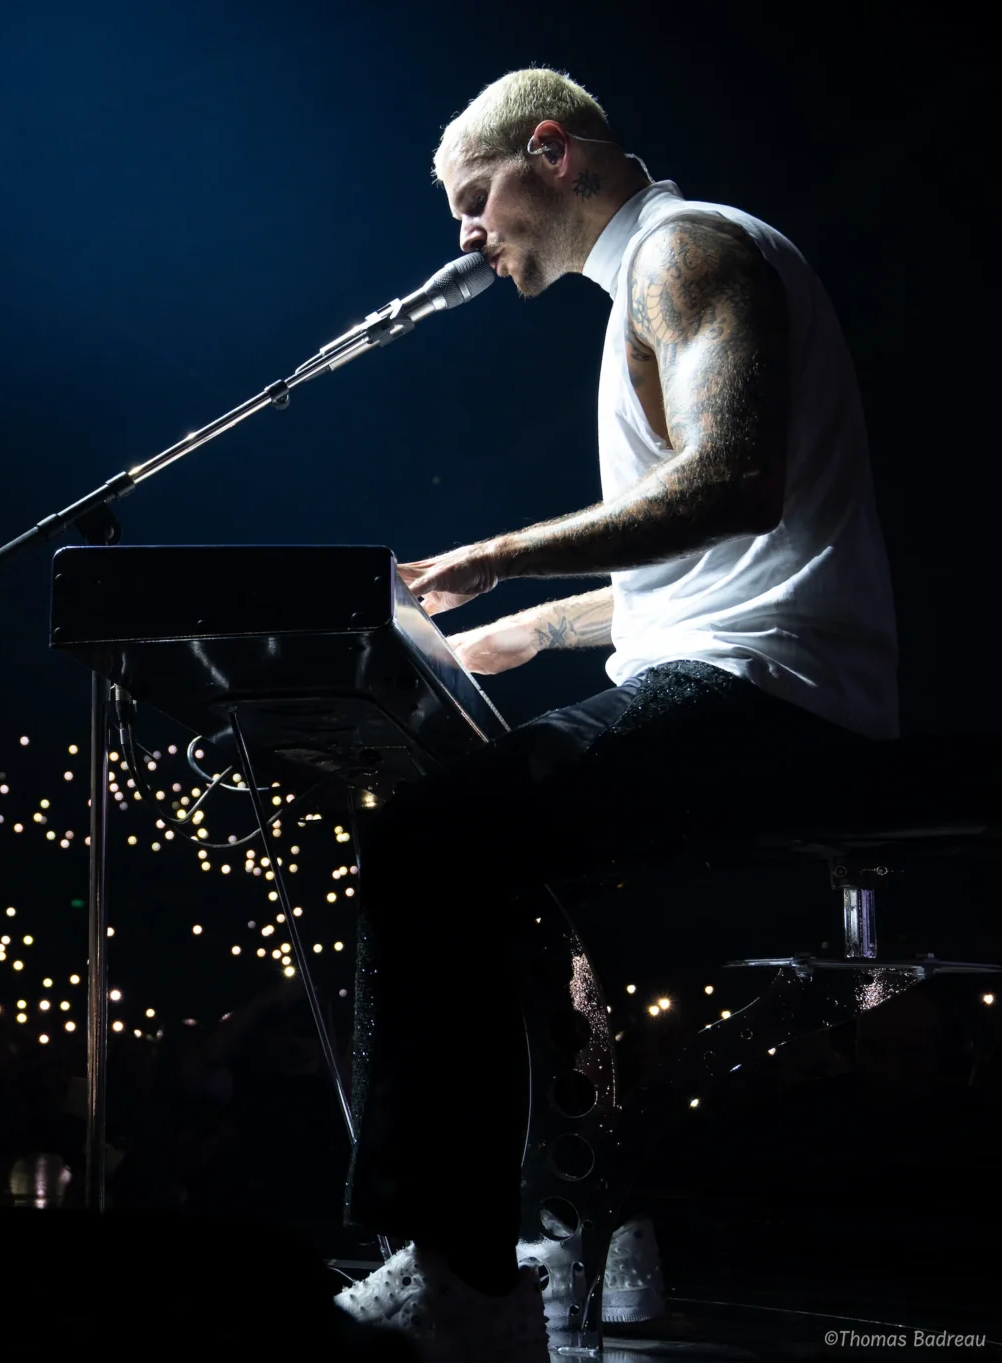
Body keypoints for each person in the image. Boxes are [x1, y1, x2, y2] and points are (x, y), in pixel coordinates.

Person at [328, 68, 898, 1360]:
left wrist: (510, 550)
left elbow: (734, 484)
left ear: (553, 152)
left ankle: (460, 1273)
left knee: (432, 841)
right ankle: (579, 1214)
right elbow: (711, 559)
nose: (467, 239)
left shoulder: (686, 251)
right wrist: (538, 627)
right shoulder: (655, 270)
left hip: (781, 701)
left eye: (477, 202)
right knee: (479, 856)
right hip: (744, 672)